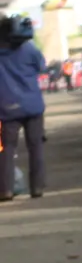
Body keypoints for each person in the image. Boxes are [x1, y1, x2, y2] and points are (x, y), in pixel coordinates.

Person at [0, 14, 46, 200]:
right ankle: (37, 188)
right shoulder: (29, 49)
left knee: (7, 149)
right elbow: (40, 67)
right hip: (33, 104)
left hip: (6, 106)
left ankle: (6, 190)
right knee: (35, 146)